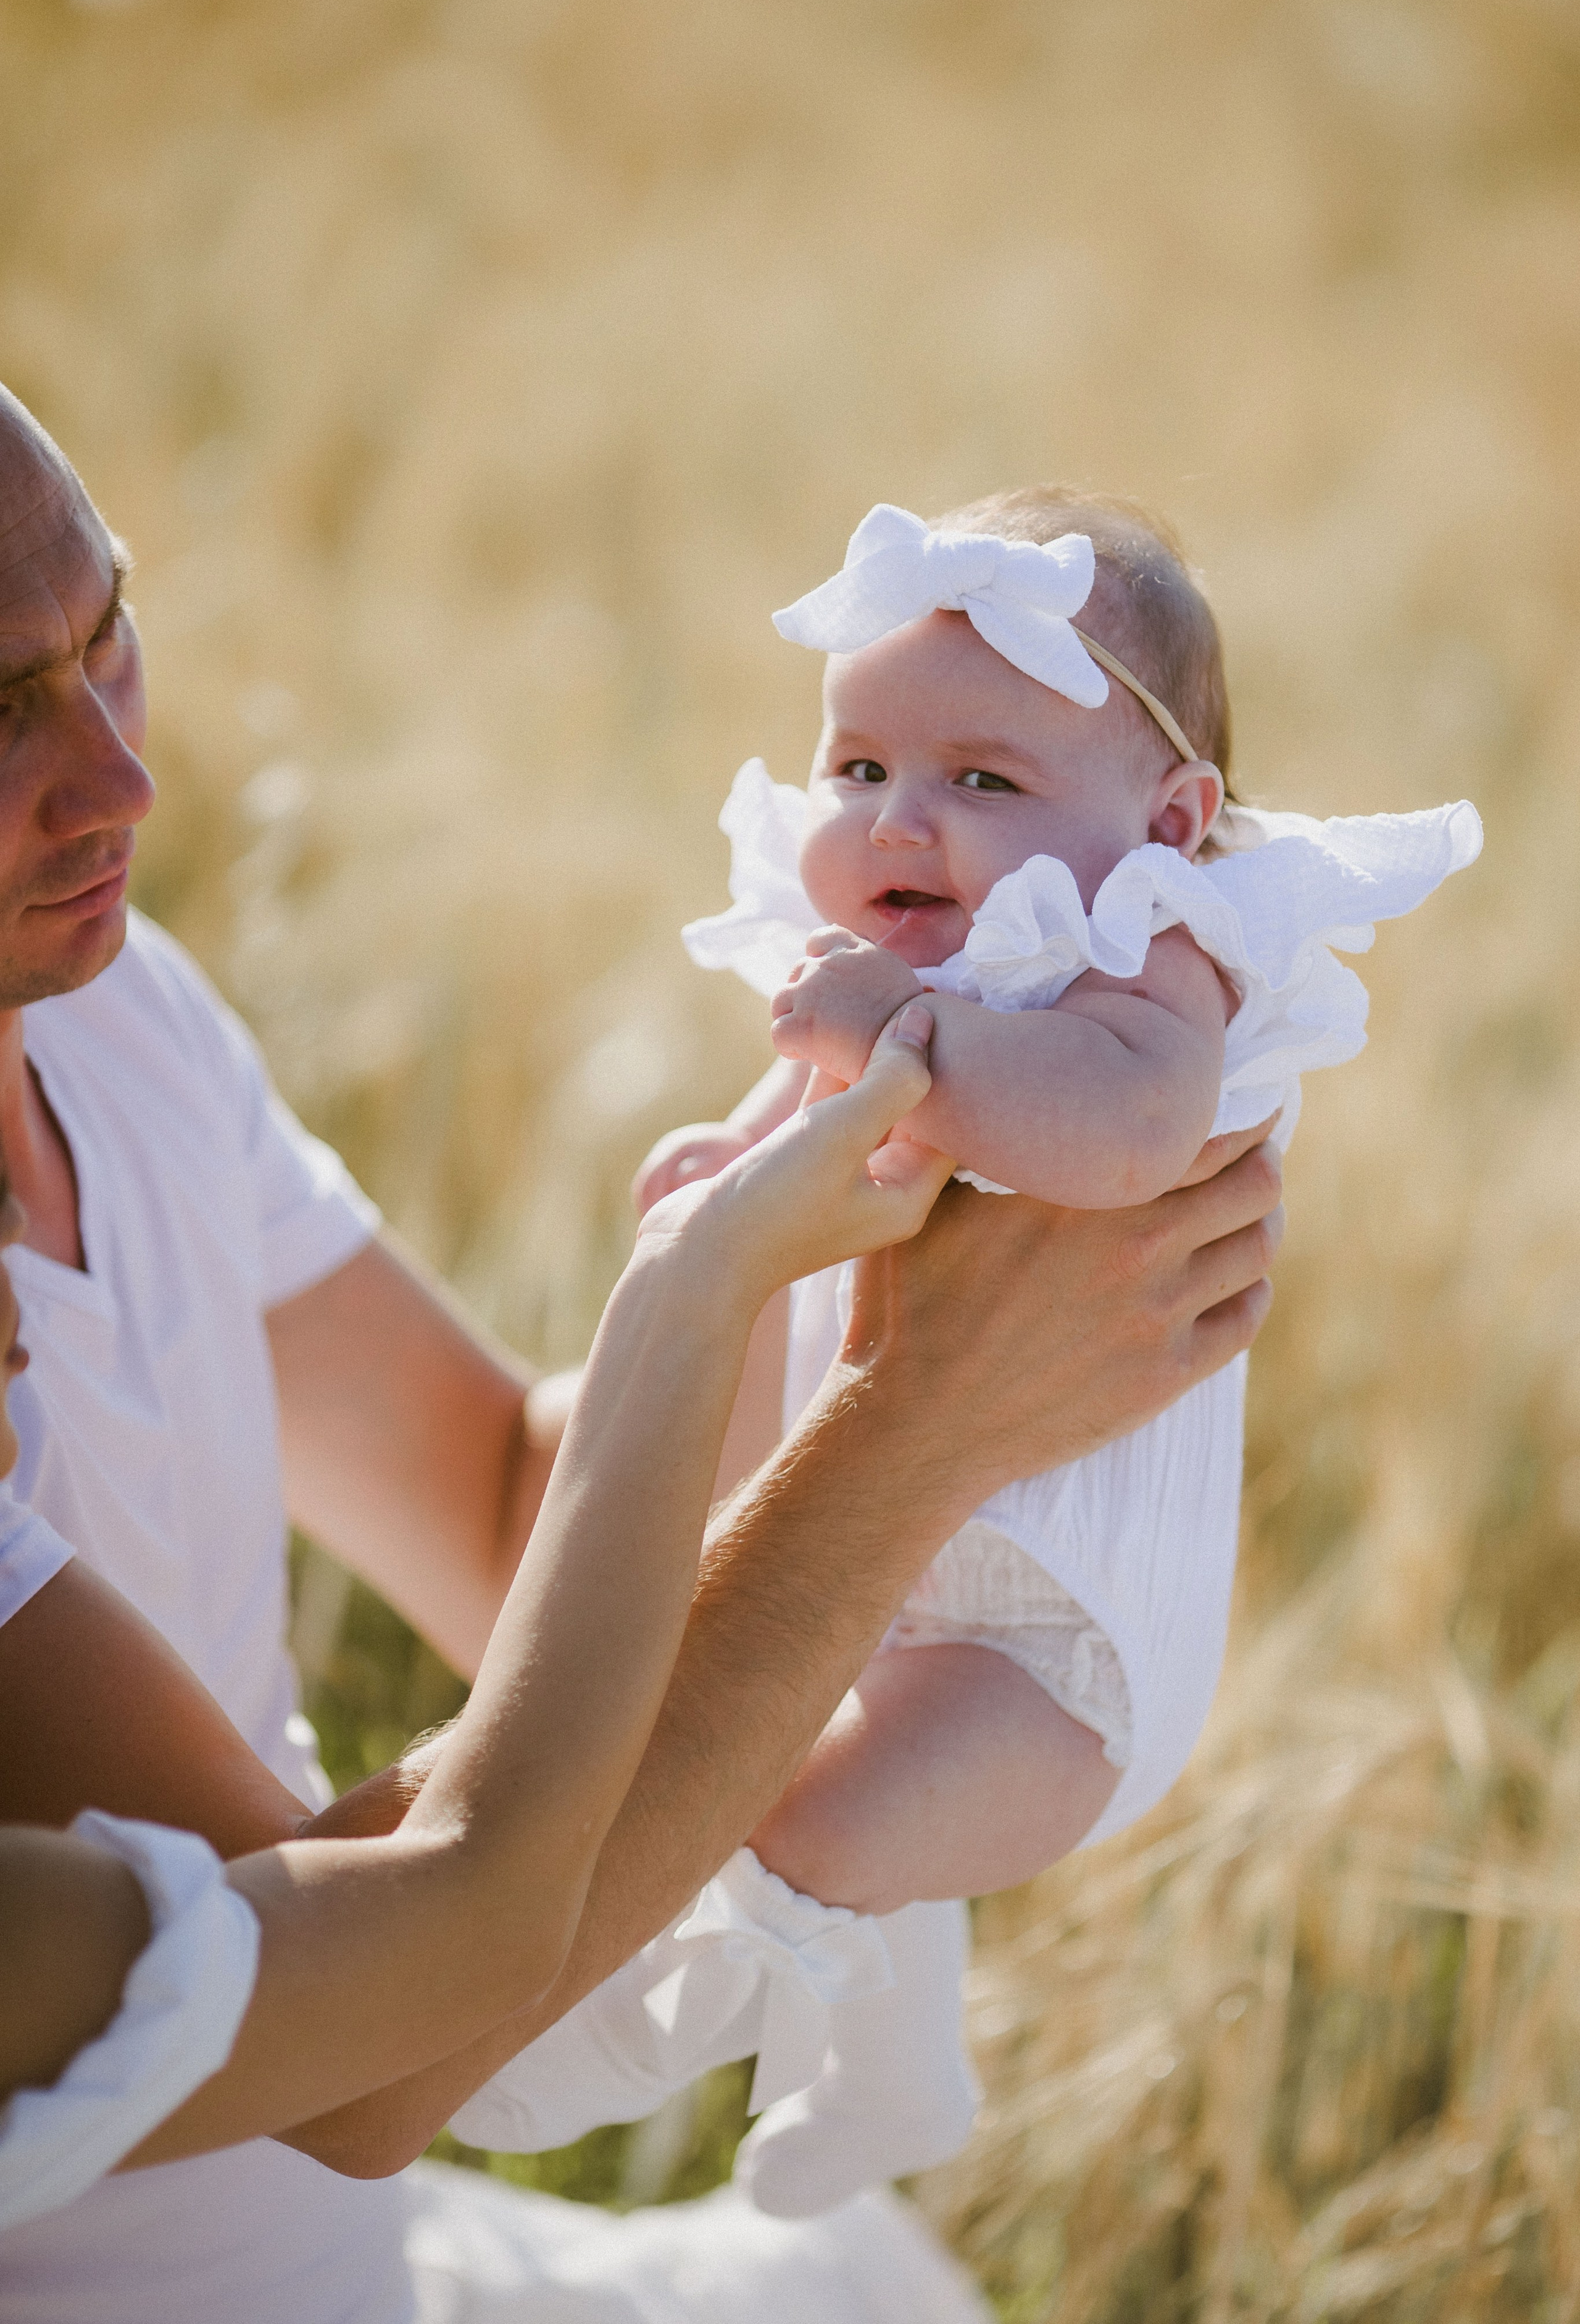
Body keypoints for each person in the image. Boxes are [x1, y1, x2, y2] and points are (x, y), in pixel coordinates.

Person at [0, 386, 1281, 2323]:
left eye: (111, 639)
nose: (120, 783)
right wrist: (904, 1425)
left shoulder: (111, 1012)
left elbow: (505, 1515)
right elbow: (362, 2043)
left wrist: (795, 1268)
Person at [451, 490, 1479, 2217]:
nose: (899, 819)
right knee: (773, 1751)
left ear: (1171, 822)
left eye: (984, 780)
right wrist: (730, 1156)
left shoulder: (1152, 948)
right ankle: (889, 2068)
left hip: (1057, 1636)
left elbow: (1130, 1132)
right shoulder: (885, 963)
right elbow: (810, 1103)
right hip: (882, 1543)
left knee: (815, 1818)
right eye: (859, 768)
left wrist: (903, 1036)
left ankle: (681, 2020)